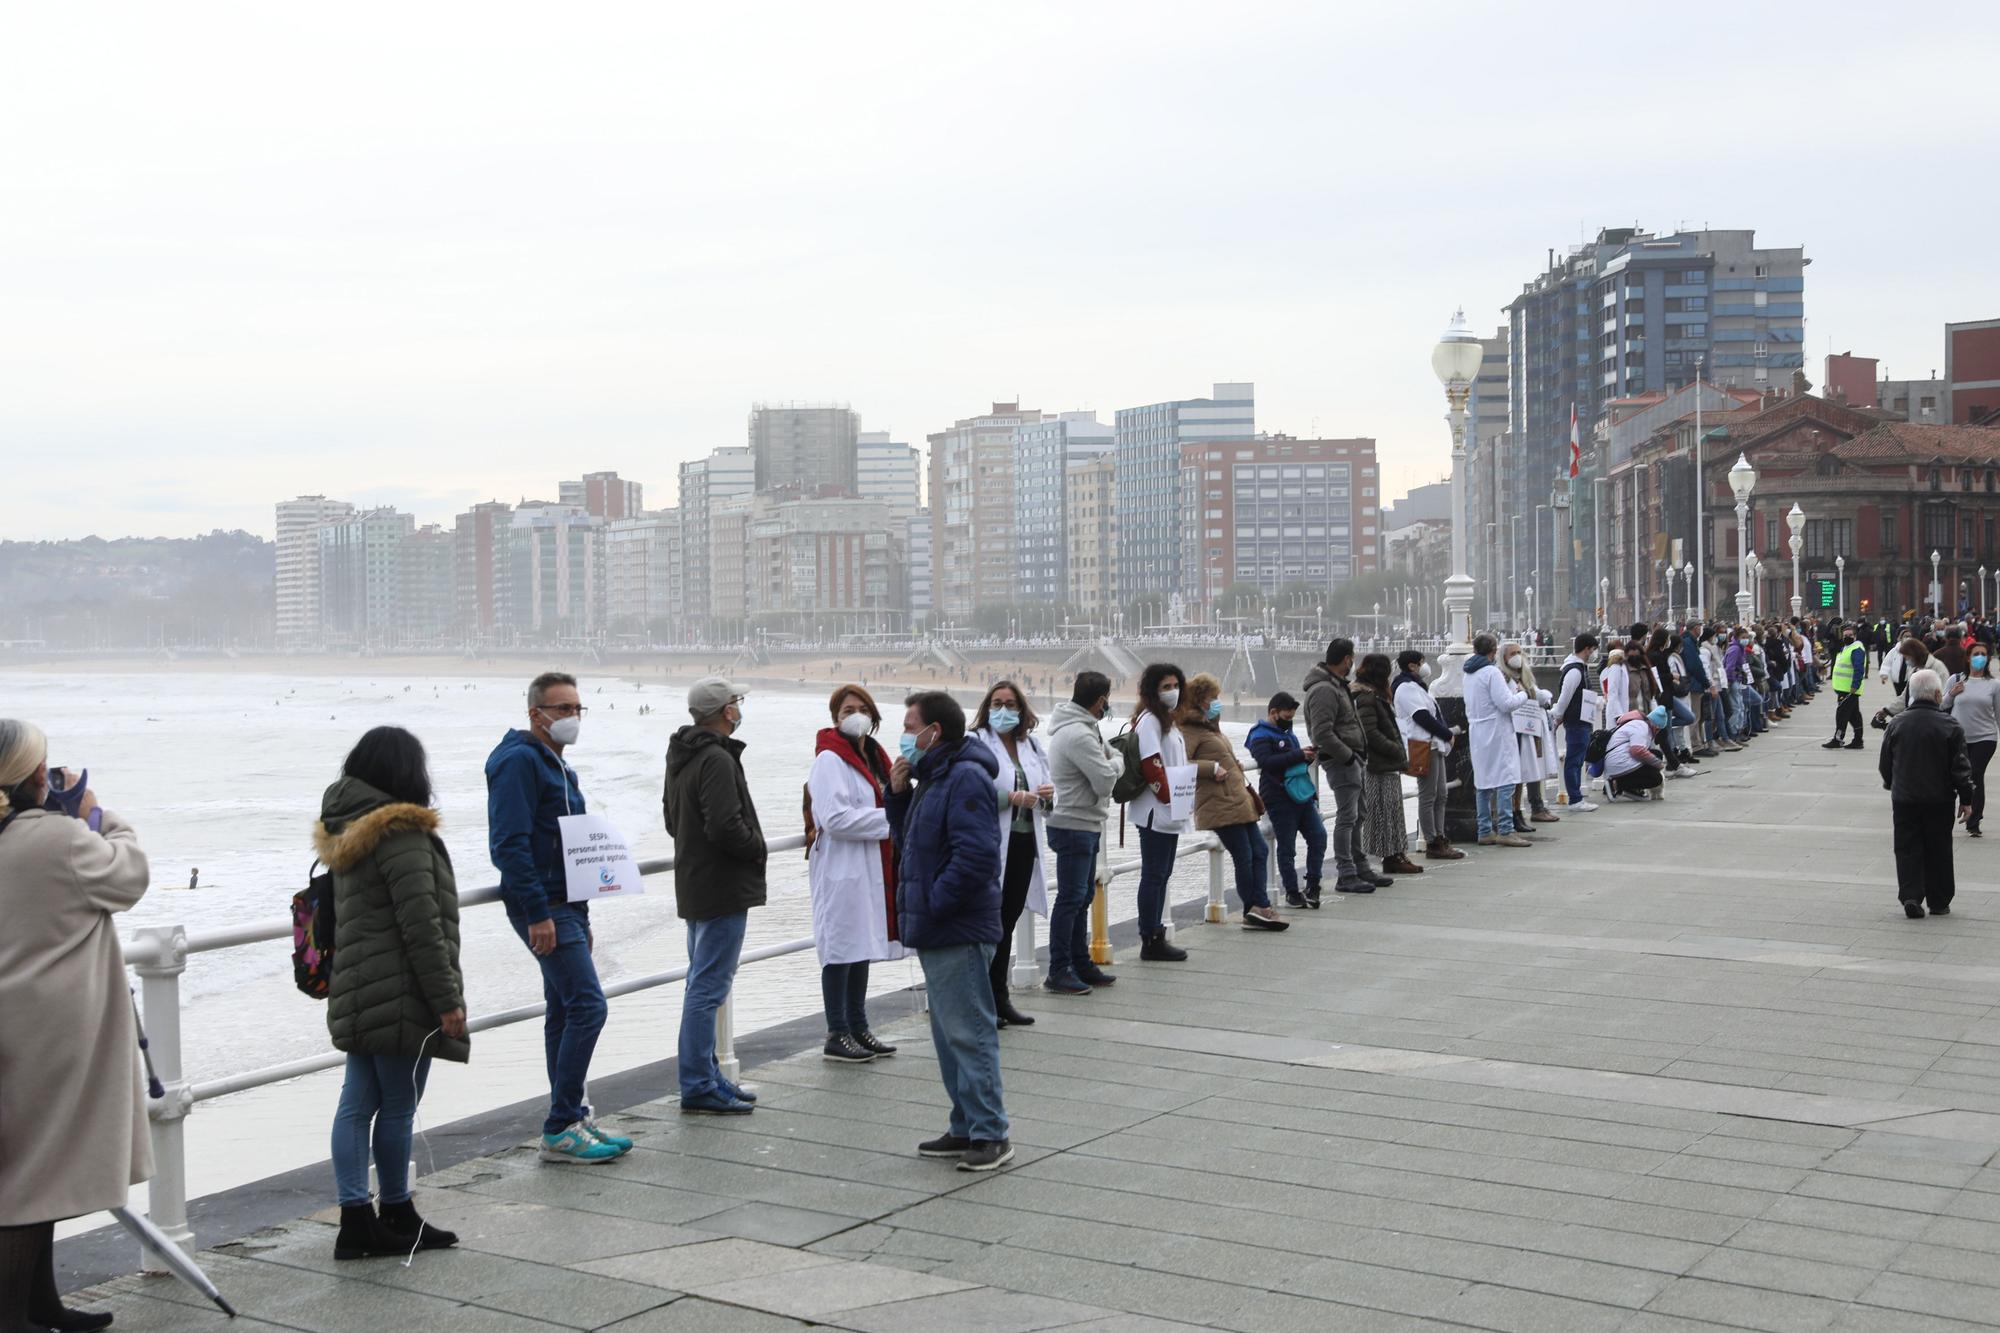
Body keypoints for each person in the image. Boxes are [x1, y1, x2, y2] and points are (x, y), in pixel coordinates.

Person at [0, 722, 148, 1333]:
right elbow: (129, 876)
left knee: (33, 1171)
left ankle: (41, 1305)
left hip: (13, 1027)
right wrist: (99, 813)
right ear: (38, 777)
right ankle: (12, 1318)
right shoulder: (61, 839)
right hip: (53, 1034)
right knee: (34, 1182)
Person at [316, 726, 472, 1261]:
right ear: (408, 772)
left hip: (358, 985)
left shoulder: (346, 826)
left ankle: (363, 1219)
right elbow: (422, 926)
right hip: (401, 992)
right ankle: (391, 1211)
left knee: (357, 1104)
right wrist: (448, 1001)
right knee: (398, 1105)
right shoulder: (401, 834)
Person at [487, 673, 622, 1163]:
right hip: (542, 906)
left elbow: (573, 845)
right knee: (590, 1006)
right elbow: (509, 844)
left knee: (565, 1008)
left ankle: (570, 1119)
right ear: (535, 714)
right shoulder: (519, 761)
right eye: (561, 709)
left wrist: (581, 915)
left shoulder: (559, 767)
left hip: (565, 904)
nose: (571, 718)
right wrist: (537, 912)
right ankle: (560, 1124)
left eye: (577, 709)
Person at [887, 691, 1012, 1171]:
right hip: (939, 926)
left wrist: (936, 903)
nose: (905, 735)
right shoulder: (933, 777)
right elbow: (914, 847)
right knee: (947, 1033)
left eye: (910, 725)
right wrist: (897, 798)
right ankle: (965, 1124)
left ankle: (991, 1131)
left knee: (969, 1031)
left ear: (934, 731)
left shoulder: (962, 777)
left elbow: (977, 856)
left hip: (957, 925)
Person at [664, 676, 768, 1113]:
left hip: (695, 881)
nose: (739, 708)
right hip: (722, 884)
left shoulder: (681, 756)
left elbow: (672, 821)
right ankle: (698, 1084)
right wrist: (756, 847)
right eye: (736, 702)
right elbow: (725, 825)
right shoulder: (717, 759)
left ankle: (706, 1077)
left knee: (701, 983)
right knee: (709, 986)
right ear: (726, 711)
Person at [805, 684, 903, 1063]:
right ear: (835, 717)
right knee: (840, 948)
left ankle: (859, 1027)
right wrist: (892, 821)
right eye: (847, 709)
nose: (855, 714)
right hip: (841, 866)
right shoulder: (829, 760)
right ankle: (837, 1032)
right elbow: (834, 818)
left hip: (868, 864)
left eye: (862, 708)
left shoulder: (876, 758)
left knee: (859, 945)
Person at [970, 681, 1053, 1026]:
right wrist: (1010, 799)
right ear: (987, 707)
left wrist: (1046, 795)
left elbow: (1048, 793)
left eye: (1010, 703)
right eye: (997, 703)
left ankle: (1000, 997)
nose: (1003, 709)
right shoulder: (975, 744)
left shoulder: (1030, 744)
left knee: (1009, 919)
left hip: (1023, 843)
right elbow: (969, 793)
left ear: (1021, 710)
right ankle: (982, 1000)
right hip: (991, 845)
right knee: (988, 923)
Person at [1179, 673, 1288, 928]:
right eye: (1212, 698)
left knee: (1259, 849)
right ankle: (1256, 907)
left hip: (1235, 799)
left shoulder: (1211, 726)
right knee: (1244, 853)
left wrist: (1231, 763)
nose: (1217, 702)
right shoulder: (1189, 728)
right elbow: (1180, 763)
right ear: (1199, 700)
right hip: (1218, 802)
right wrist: (1211, 767)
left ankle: (1257, 906)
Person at [1043, 671, 1122, 994]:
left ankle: (1079, 961)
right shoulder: (1078, 734)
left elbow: (1108, 762)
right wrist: (1116, 763)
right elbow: (1105, 779)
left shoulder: (1086, 730)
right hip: (1072, 823)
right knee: (1071, 897)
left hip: (1085, 822)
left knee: (1083, 895)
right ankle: (1059, 968)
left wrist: (1110, 761)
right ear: (1101, 700)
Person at [1880, 669, 1975, 919]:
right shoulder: (1950, 725)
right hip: (1939, 798)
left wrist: (1893, 784)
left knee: (1907, 847)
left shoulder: (1897, 723)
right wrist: (1966, 799)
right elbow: (1961, 767)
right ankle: (1939, 899)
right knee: (1939, 847)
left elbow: (1885, 762)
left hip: (1905, 799)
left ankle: (1911, 894)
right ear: (1936, 694)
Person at [1306, 639, 1390, 892]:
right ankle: (1346, 872)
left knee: (1358, 814)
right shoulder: (1324, 690)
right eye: (1352, 657)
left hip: (1352, 758)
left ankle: (1359, 866)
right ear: (1346, 659)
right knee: (1347, 817)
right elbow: (1321, 732)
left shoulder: (1337, 686)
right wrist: (1347, 756)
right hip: (1342, 761)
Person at [1128, 663, 1192, 958]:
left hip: (1172, 809)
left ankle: (1155, 933)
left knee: (1163, 873)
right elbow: (1151, 763)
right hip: (1156, 810)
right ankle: (1150, 937)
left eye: (1175, 685)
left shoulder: (1169, 720)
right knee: (1154, 874)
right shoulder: (1150, 721)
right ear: (1153, 691)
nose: (1172, 692)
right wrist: (1171, 796)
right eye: (1165, 687)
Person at [1246, 690, 1330, 905]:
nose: (1289, 721)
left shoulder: (1288, 734)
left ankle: (1313, 885)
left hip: (1301, 794)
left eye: (1292, 717)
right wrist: (1299, 754)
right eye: (1287, 716)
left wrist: (1307, 757)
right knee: (1287, 846)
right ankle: (1292, 892)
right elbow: (1266, 761)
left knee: (1318, 837)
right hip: (1278, 796)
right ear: (1273, 713)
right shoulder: (1259, 734)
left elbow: (1291, 761)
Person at [1463, 633, 1540, 847]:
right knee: (1506, 780)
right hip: (1497, 731)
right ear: (1493, 651)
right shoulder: (1491, 673)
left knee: (1484, 783)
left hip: (1477, 731)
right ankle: (1506, 829)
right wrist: (1524, 694)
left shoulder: (1468, 673)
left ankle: (1485, 829)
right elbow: (1505, 704)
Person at [1353, 654, 1422, 875]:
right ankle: (1391, 856)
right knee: (1384, 811)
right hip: (1378, 764)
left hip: (1385, 763)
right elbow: (1370, 732)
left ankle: (1396, 853)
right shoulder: (1367, 697)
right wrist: (1395, 749)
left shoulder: (1373, 696)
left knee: (1392, 809)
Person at [1391, 650, 1461, 859]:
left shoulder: (1416, 686)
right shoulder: (1404, 687)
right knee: (1428, 795)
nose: (1425, 666)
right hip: (1422, 744)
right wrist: (1446, 733)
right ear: (1412, 666)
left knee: (1441, 794)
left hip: (1433, 744)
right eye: (1421, 662)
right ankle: (1432, 840)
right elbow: (1421, 716)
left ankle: (1439, 835)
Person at [1502, 640, 1562, 826]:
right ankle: (1514, 813)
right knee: (1517, 774)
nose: (1517, 657)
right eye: (1512, 654)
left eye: (1519, 652)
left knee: (1529, 769)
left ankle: (1522, 810)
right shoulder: (1504, 678)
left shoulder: (1524, 677)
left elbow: (1537, 693)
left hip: (1529, 728)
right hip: (1516, 730)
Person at [1945, 647, 1999, 836]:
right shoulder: (1956, 679)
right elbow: (1942, 705)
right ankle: (1962, 805)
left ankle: (1974, 820)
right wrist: (1952, 693)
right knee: (1957, 776)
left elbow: (1998, 714)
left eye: (1983, 655)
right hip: (1959, 738)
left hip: (1985, 737)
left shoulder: (1993, 684)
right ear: (1968, 658)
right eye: (1976, 654)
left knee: (1975, 774)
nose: (1980, 658)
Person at [1552, 633, 1601, 812]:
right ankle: (1575, 799)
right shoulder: (1574, 671)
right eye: (1593, 649)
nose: (1594, 653)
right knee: (1574, 760)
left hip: (1581, 719)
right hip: (1576, 721)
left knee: (1577, 759)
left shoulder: (1579, 668)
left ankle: (1576, 797)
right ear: (1586, 649)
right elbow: (1564, 697)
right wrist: (1559, 716)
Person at [1603, 707, 1668, 801]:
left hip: (1617, 759)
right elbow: (1637, 750)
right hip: (1619, 762)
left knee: (1656, 754)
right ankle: (1616, 784)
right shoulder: (1641, 727)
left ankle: (1632, 787)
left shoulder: (1638, 724)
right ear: (1656, 727)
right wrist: (1658, 764)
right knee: (1656, 779)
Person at [1825, 625, 1869, 749]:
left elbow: (1859, 669)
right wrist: (1831, 625)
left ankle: (1838, 739)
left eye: (1850, 635)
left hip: (1849, 689)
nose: (1847, 637)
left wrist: (1855, 685)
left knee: (1842, 715)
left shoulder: (1856, 649)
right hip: (1844, 688)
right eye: (1845, 636)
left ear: (1855, 636)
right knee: (1854, 715)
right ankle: (1858, 740)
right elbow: (1827, 636)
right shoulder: (1846, 647)